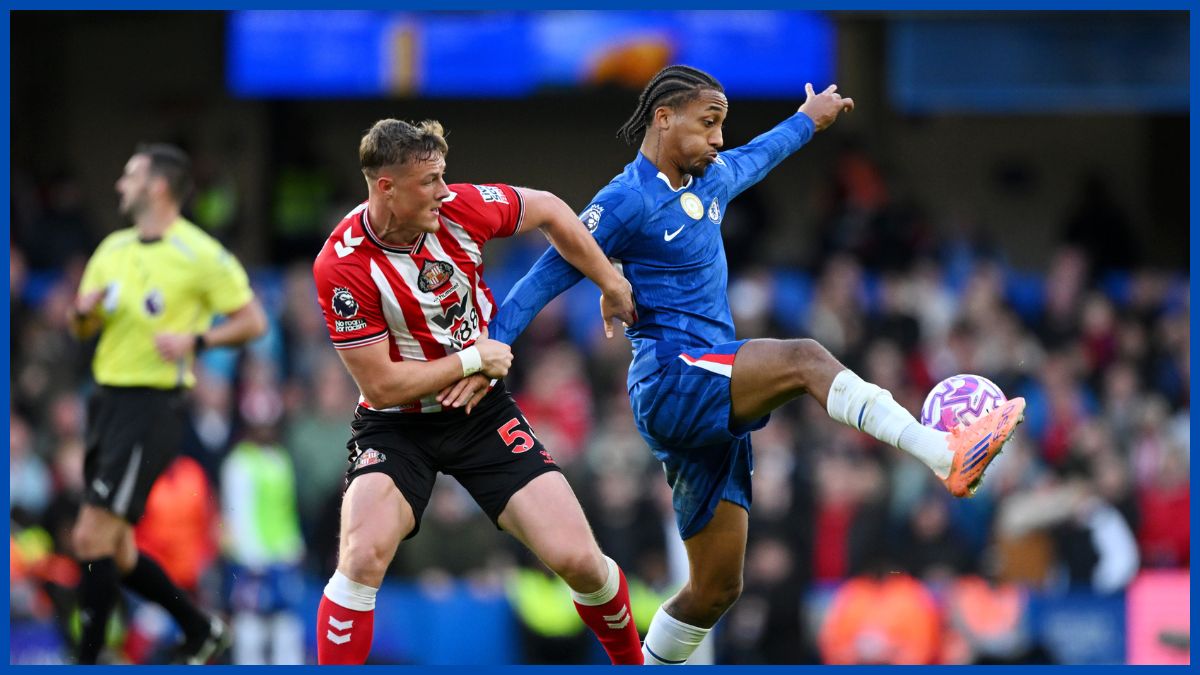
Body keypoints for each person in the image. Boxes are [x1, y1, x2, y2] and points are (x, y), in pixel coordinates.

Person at [453, 64, 1026, 664]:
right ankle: (944, 452)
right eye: (708, 124)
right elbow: (544, 275)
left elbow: (758, 154)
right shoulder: (625, 201)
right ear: (663, 118)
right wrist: (487, 351)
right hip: (673, 378)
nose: (719, 139)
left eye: (721, 125)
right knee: (804, 358)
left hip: (708, 394)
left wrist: (808, 120)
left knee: (716, 590)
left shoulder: (711, 180)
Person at [310, 118, 643, 665]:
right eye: (429, 182)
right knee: (361, 554)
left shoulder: (461, 208)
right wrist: (472, 358)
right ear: (384, 186)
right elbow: (381, 384)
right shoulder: (340, 265)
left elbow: (554, 210)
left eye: (444, 177)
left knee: (580, 560)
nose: (444, 191)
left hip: (480, 414)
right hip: (397, 426)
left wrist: (608, 279)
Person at [68, 143, 268, 664]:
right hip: (105, 402)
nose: (119, 185)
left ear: (158, 186)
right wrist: (82, 313)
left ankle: (86, 659)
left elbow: (253, 321)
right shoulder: (112, 248)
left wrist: (195, 341)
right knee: (117, 549)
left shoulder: (198, 253)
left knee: (91, 535)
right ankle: (201, 630)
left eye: (129, 175)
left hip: (150, 406)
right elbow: (80, 326)